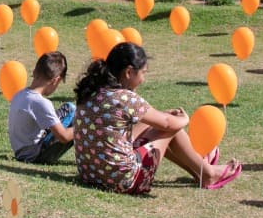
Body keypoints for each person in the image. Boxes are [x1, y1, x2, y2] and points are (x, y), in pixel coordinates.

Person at [73, 42, 242, 194]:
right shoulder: (125, 98)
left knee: (160, 125)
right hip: (122, 181)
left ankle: (201, 172)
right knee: (171, 129)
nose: (143, 79)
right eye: (143, 73)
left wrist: (164, 118)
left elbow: (119, 132)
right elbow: (169, 125)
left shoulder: (92, 90)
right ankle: (208, 174)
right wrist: (184, 119)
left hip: (91, 173)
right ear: (129, 72)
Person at [8, 51, 76, 164]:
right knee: (76, 114)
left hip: (21, 151)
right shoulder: (40, 102)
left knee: (69, 108)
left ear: (34, 72)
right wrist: (85, 127)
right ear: (56, 80)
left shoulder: (19, 94)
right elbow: (63, 137)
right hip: (36, 155)